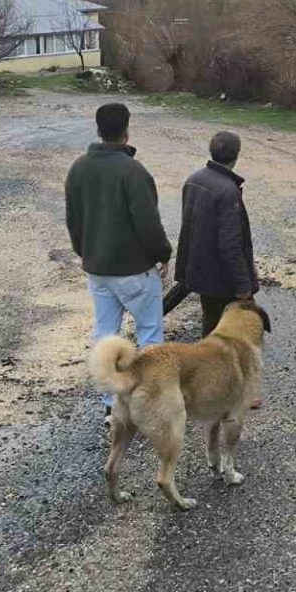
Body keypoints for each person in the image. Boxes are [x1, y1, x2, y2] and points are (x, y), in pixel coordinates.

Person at [65, 102, 172, 420]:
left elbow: (73, 221)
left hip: (98, 269)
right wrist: (163, 254)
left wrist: (85, 252)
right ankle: (148, 403)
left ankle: (112, 406)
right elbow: (148, 224)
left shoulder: (78, 168)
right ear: (127, 130)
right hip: (134, 270)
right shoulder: (133, 171)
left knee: (106, 334)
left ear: (98, 129)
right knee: (150, 334)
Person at [173, 131, 260, 337]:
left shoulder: (194, 179)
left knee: (210, 320)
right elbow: (230, 244)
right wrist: (243, 285)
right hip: (221, 276)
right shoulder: (228, 190)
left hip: (200, 267)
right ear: (236, 154)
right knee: (235, 328)